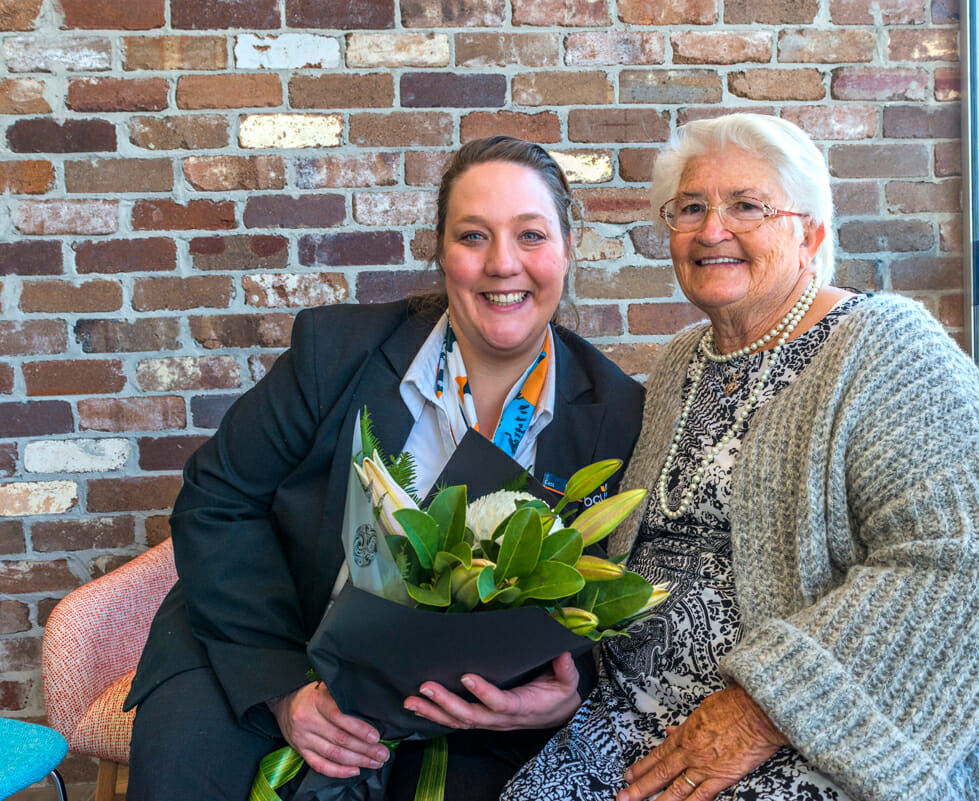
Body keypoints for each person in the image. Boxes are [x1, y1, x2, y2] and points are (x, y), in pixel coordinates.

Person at [485, 114, 979, 800]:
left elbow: (978, 553)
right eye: (690, 208)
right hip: (645, 719)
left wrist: (767, 705)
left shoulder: (886, 346)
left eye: (747, 206)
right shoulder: (680, 365)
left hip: (833, 730)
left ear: (810, 233)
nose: (711, 229)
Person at [123, 136, 645, 801]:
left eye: (531, 235)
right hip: (268, 637)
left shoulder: (618, 412)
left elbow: (614, 593)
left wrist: (558, 696)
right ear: (441, 251)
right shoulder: (333, 351)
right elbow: (216, 499)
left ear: (569, 247)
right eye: (473, 236)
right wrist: (283, 689)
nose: (503, 263)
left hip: (461, 703)